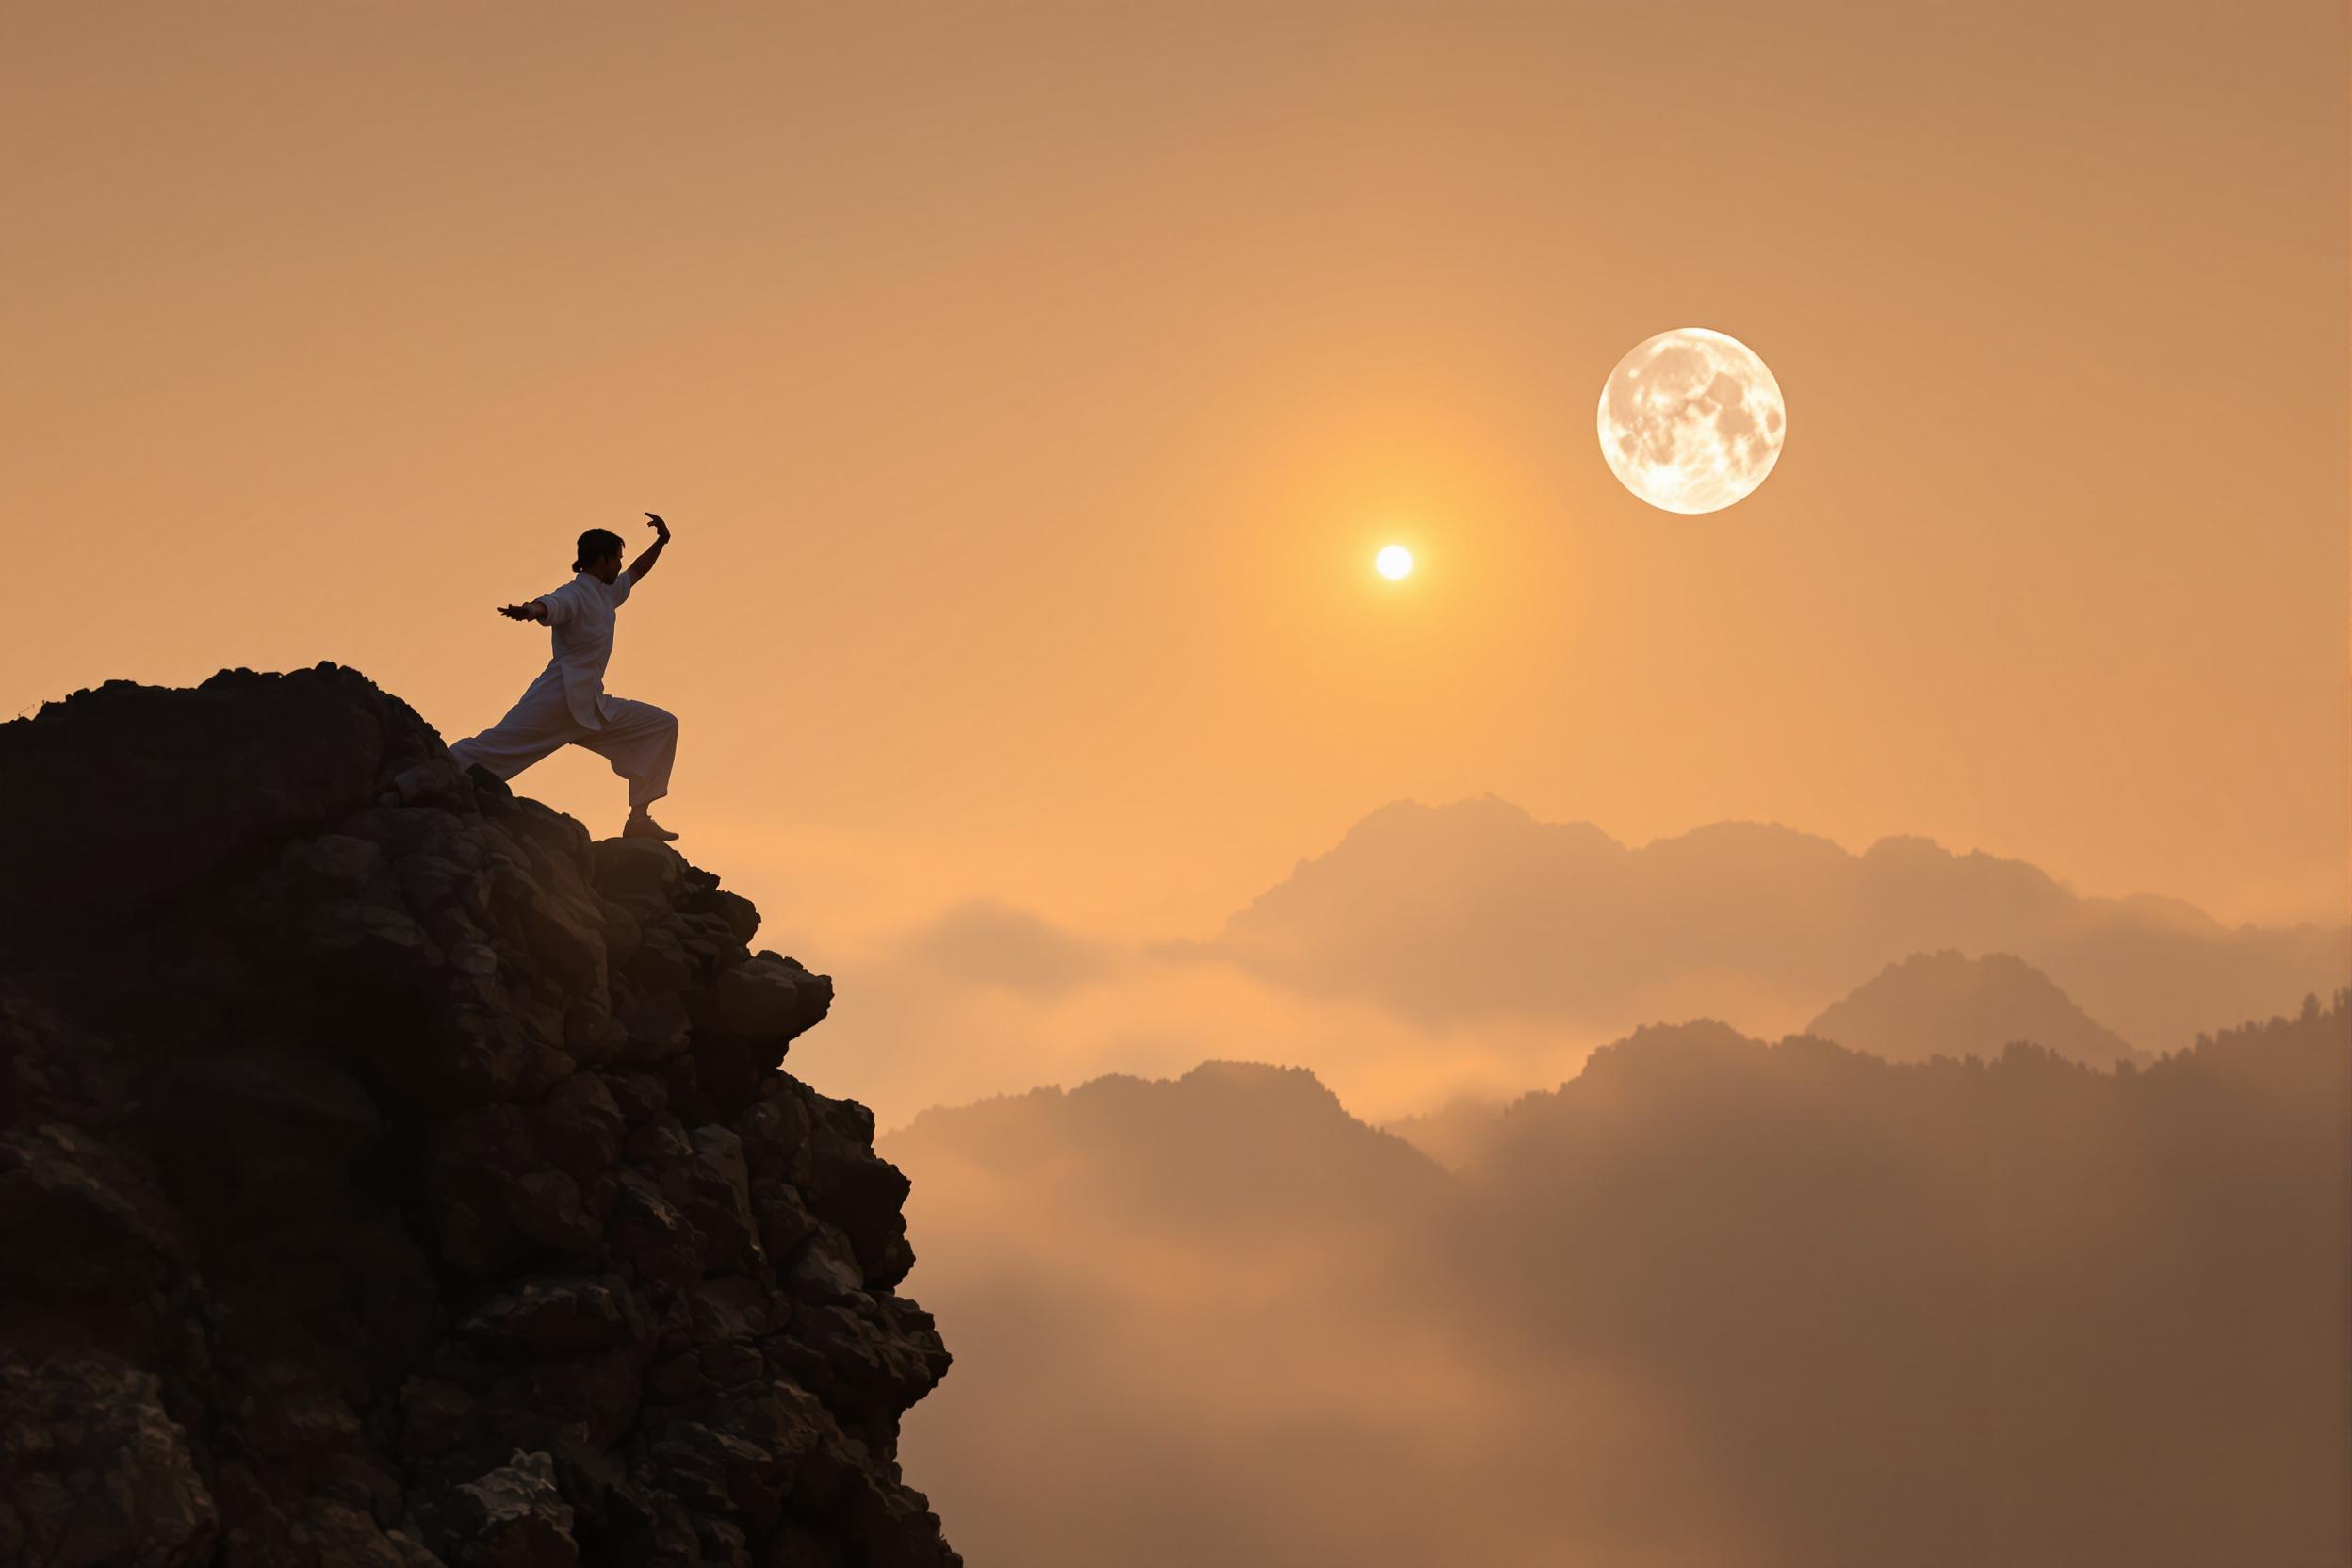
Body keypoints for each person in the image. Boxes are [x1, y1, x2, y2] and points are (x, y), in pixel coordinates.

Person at [448, 513, 682, 841]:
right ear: (601, 560)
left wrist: (661, 542)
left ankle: (639, 819)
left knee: (661, 725)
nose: (620, 565)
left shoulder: (606, 593)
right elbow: (551, 605)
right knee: (495, 747)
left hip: (592, 706)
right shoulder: (576, 593)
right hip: (558, 700)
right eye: (616, 558)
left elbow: (636, 572)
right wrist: (530, 610)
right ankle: (435, 766)